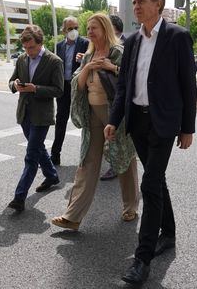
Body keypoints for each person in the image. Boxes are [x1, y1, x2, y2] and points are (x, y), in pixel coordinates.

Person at [104, 0, 197, 285]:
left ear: (158, 4)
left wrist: (187, 128)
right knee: (157, 182)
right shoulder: (131, 41)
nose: (136, 6)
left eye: (141, 1)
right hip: (138, 122)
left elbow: (188, 86)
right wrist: (114, 120)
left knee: (150, 184)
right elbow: (124, 86)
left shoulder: (177, 37)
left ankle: (142, 260)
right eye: (133, 2)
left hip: (163, 123)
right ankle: (168, 233)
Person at [50, 13, 139, 231]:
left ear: (105, 29)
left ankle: (131, 206)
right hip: (92, 114)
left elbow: (132, 81)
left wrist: (111, 67)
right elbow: (78, 84)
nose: (89, 32)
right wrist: (88, 68)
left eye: (94, 28)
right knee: (87, 162)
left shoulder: (119, 52)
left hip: (115, 115)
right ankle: (72, 216)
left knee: (124, 159)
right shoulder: (88, 55)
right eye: (88, 28)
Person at [7, 25, 64, 212]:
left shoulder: (54, 61)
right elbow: (12, 80)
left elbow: (59, 90)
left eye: (31, 47)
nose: (28, 51)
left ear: (41, 43)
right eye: (25, 48)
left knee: (31, 155)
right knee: (38, 148)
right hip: (24, 113)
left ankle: (19, 197)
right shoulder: (22, 59)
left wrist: (35, 89)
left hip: (42, 116)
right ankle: (52, 175)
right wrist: (15, 85)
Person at [52, 16, 89, 165]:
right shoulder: (59, 46)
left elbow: (92, 60)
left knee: (85, 120)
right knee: (61, 120)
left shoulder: (85, 43)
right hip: (64, 87)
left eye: (75, 28)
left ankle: (87, 156)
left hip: (79, 87)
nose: (73, 31)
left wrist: (84, 59)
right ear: (63, 31)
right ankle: (55, 154)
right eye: (70, 28)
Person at [99, 14, 127, 181]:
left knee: (118, 133)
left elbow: (131, 75)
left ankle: (117, 165)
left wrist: (112, 67)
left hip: (120, 97)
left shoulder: (126, 45)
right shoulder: (102, 45)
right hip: (105, 99)